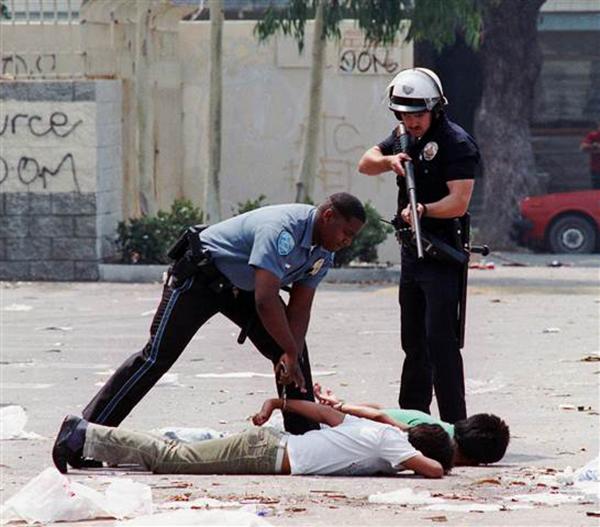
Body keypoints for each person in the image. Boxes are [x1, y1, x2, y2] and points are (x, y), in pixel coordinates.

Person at [81, 193, 365, 441]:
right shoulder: (283, 229)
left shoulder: (323, 254)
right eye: (346, 233)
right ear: (328, 216)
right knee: (157, 356)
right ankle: (86, 434)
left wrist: (292, 352)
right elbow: (266, 300)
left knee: (292, 353)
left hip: (241, 288)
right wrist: (289, 348)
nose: (347, 242)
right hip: (202, 277)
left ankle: (306, 441)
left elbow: (300, 308)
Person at [358, 68, 480, 423]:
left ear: (435, 109)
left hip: (443, 250)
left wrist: (425, 209)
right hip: (412, 250)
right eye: (404, 115)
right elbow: (366, 163)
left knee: (441, 342)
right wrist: (389, 162)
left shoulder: (457, 143)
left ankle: (456, 425)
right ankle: (414, 421)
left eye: (418, 114)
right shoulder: (401, 137)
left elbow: (459, 202)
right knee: (413, 342)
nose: (411, 122)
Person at [52, 398, 454, 478]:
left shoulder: (381, 432)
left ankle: (89, 442)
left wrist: (278, 402)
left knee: (176, 452)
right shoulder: (395, 445)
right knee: (171, 459)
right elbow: (434, 471)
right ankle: (85, 433)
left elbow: (321, 412)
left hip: (270, 445)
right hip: (267, 454)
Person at [314, 383, 509, 466]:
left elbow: (380, 410)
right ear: (469, 458)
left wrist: (341, 405)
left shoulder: (443, 428)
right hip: (334, 429)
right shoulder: (435, 437)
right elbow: (380, 416)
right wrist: (340, 406)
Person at [580, 121, 600, 190]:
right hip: (597, 169)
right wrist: (594, 146)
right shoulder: (593, 135)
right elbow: (582, 147)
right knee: (597, 191)